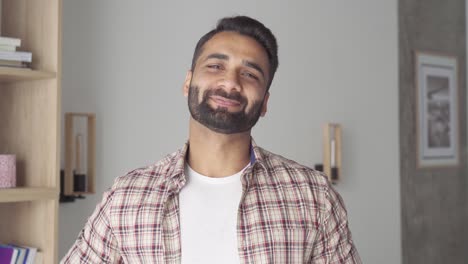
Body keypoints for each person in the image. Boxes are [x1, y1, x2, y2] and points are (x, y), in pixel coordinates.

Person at [62, 15, 361, 264]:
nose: (230, 82)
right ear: (188, 81)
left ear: (265, 102)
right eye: (216, 66)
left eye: (250, 74)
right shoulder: (128, 197)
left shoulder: (312, 197)